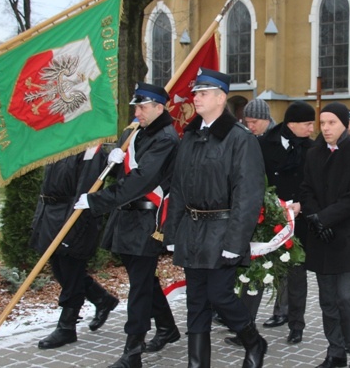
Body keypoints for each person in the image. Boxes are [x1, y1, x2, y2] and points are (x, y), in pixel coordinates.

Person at [164, 68, 267, 368]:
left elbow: (248, 194)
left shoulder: (240, 139)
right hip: (192, 231)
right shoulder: (192, 136)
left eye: (203, 93)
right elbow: (179, 187)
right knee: (196, 300)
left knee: (219, 296)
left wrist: (236, 241)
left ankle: (253, 341)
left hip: (223, 231)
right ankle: (197, 364)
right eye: (196, 92)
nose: (196, 97)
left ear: (221, 98)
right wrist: (172, 233)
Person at [75, 82, 181, 368]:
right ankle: (168, 328)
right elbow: (125, 174)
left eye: (143, 107)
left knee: (139, 286)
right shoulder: (135, 132)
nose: (137, 112)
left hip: (148, 220)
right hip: (127, 217)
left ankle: (132, 351)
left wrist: (97, 201)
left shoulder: (166, 138)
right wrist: (115, 161)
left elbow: (141, 180)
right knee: (143, 280)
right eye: (136, 106)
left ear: (160, 108)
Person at [301, 101, 350, 368]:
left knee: (347, 297)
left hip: (348, 236)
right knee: (328, 300)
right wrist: (315, 219)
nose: (325, 128)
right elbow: (306, 189)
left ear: (345, 124)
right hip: (322, 237)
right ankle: (335, 352)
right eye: (322, 123)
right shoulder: (314, 153)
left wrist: (325, 218)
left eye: (331, 122)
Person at [30, 147, 118, 350]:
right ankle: (102, 299)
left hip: (75, 217)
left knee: (71, 272)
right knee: (61, 270)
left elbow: (86, 189)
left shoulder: (90, 150)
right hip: (52, 216)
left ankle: (67, 327)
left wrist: (73, 225)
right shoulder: (62, 146)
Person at [259, 100, 316, 344]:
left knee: (296, 274)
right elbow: (253, 177)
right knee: (258, 270)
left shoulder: (313, 149)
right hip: (267, 219)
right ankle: (243, 325)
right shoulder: (263, 144)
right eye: (307, 124)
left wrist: (303, 204)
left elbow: (315, 184)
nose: (312, 129)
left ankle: (296, 324)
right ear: (291, 124)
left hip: (297, 220)